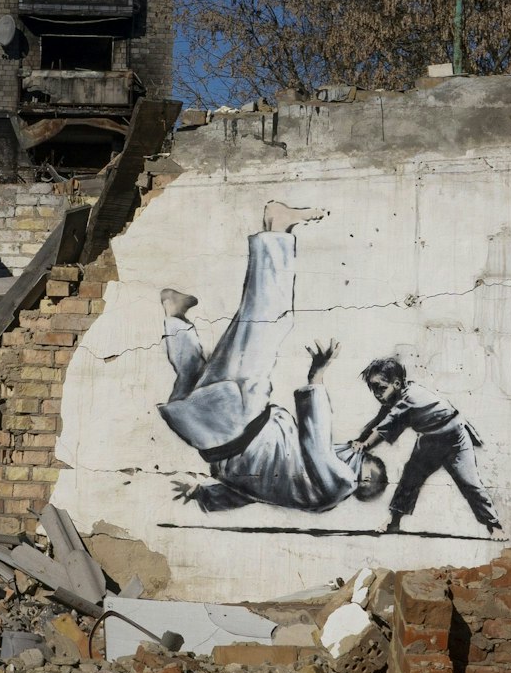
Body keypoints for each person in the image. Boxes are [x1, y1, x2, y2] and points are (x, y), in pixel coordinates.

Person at [157, 201, 386, 512]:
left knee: (269, 320)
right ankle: (175, 315)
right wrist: (202, 495)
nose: (355, 450)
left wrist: (316, 377)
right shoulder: (303, 490)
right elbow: (248, 492)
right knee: (195, 377)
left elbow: (316, 445)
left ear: (366, 481)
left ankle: (276, 228)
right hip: (203, 437)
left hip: (242, 419)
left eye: (363, 460)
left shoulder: (341, 483)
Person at [355, 358, 504, 537]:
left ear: (396, 383)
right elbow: (379, 421)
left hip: (455, 439)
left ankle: (494, 525)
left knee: (470, 483)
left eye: (381, 388)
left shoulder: (408, 399)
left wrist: (365, 444)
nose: (377, 394)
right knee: (409, 480)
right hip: (430, 441)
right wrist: (361, 439)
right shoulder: (398, 397)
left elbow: (385, 425)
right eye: (373, 389)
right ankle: (394, 521)